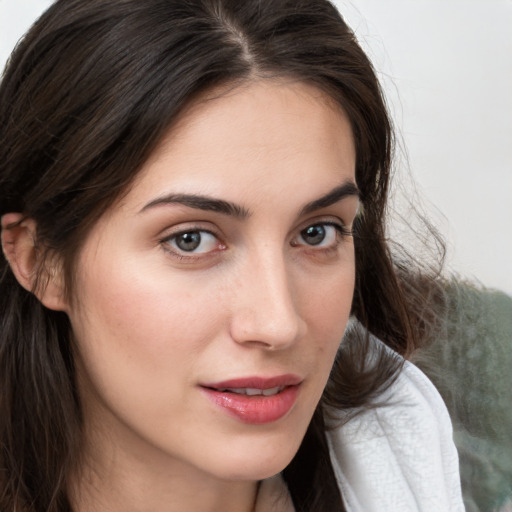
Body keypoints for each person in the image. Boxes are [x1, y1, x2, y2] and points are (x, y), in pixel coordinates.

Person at [0, 1, 464, 511]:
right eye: (191, 240)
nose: (279, 323)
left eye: (316, 232)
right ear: (41, 260)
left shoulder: (428, 457)